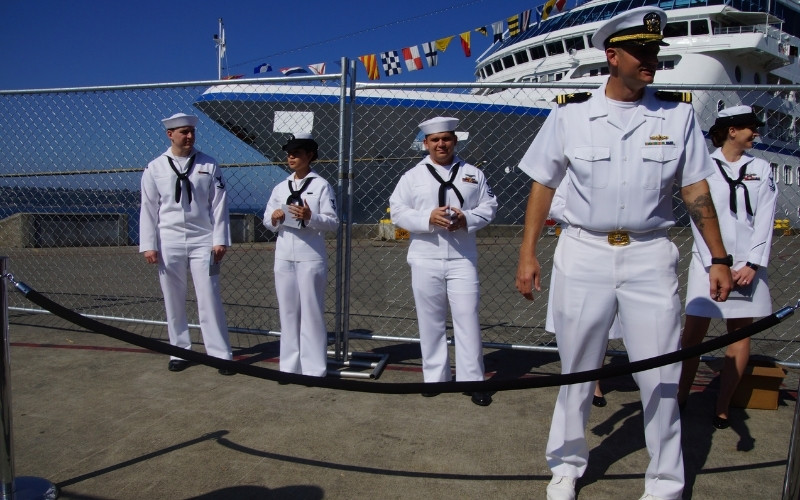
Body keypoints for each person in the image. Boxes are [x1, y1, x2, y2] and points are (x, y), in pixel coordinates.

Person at [514, 7, 733, 500]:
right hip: (583, 251)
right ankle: (566, 465)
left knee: (660, 372)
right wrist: (527, 255)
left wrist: (718, 256)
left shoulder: (677, 115)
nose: (650, 59)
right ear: (612, 56)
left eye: (655, 51)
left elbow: (697, 190)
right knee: (578, 368)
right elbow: (542, 186)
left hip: (649, 256)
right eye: (641, 52)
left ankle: (665, 481)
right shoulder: (570, 114)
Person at [678, 106, 778, 429]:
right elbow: (698, 215)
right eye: (750, 127)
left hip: (747, 266)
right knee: (693, 335)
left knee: (740, 334)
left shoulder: (761, 168)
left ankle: (722, 406)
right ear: (732, 130)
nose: (756, 132)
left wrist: (752, 264)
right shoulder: (703, 166)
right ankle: (680, 398)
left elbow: (765, 218)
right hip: (709, 263)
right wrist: (713, 264)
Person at [390, 116, 498, 406]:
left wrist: (468, 218)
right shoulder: (411, 177)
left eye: (446, 138)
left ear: (455, 141)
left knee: (467, 318)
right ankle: (435, 377)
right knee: (431, 320)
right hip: (425, 257)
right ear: (425, 143)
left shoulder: (473, 174)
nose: (441, 144)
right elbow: (397, 211)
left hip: (462, 258)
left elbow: (489, 207)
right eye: (435, 140)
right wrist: (427, 218)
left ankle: (472, 379)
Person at [139, 112, 234, 375]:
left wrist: (220, 239)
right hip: (169, 240)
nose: (189, 136)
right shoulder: (155, 168)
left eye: (192, 131)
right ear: (170, 135)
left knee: (209, 297)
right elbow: (148, 208)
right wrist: (149, 245)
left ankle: (220, 354)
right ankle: (179, 351)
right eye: (183, 132)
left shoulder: (209, 164)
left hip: (202, 239)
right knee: (173, 298)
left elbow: (219, 204)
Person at [264, 133, 339, 377]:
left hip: (310, 255)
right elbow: (267, 219)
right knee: (287, 311)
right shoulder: (280, 187)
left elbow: (333, 222)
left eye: (297, 153)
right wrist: (274, 218)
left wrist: (311, 217)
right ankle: (289, 366)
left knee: (311, 311)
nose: (291, 157)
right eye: (289, 153)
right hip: (284, 254)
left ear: (310, 156)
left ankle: (314, 368)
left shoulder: (321, 186)